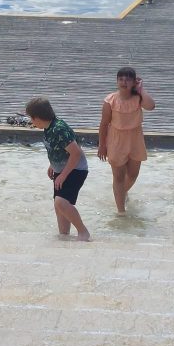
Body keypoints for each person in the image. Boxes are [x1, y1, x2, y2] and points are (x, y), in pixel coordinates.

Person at [25, 96, 91, 241]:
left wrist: (63, 175)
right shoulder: (49, 128)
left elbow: (75, 152)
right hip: (61, 170)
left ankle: (83, 232)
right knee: (59, 206)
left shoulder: (58, 129)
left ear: (38, 118)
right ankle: (64, 236)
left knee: (61, 202)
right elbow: (58, 149)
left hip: (76, 169)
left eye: (31, 118)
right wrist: (52, 165)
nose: (31, 122)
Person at [97, 66, 156, 215]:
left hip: (135, 138)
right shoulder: (110, 100)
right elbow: (104, 124)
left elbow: (151, 106)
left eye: (128, 79)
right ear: (117, 81)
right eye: (121, 79)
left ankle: (121, 193)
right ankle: (121, 211)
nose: (124, 82)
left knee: (133, 174)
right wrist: (102, 145)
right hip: (116, 139)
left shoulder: (138, 98)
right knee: (118, 176)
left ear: (134, 82)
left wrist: (141, 89)